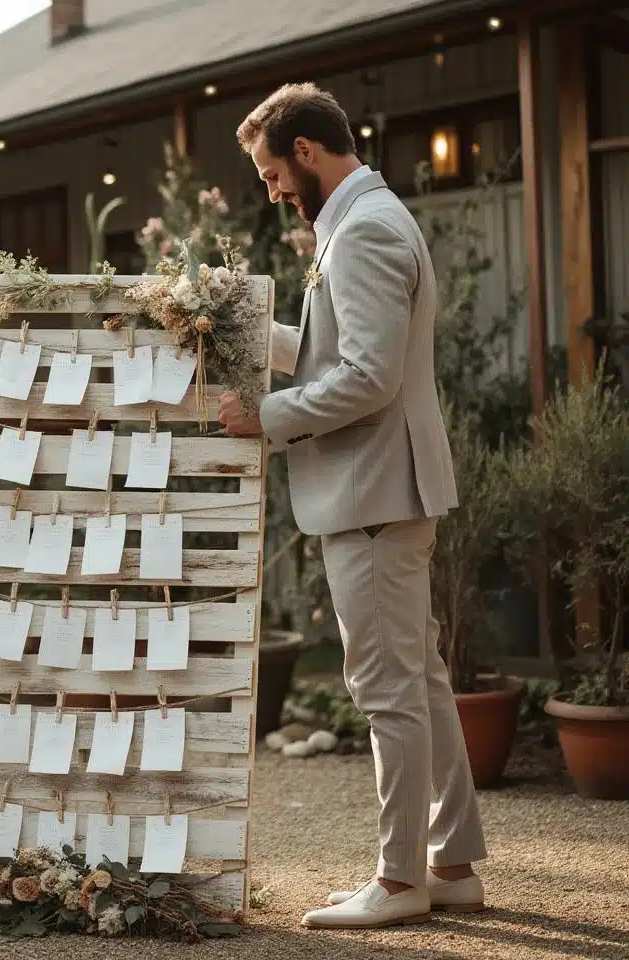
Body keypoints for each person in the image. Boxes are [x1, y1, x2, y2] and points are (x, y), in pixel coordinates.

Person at [218, 83, 488, 930]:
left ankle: (400, 879)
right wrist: (243, 331)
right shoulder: (369, 219)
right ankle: (450, 864)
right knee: (421, 681)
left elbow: (367, 380)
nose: (271, 192)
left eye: (270, 174)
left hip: (375, 489)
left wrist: (263, 416)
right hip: (388, 486)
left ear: (306, 150)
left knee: (387, 691)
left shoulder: (365, 229)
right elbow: (347, 353)